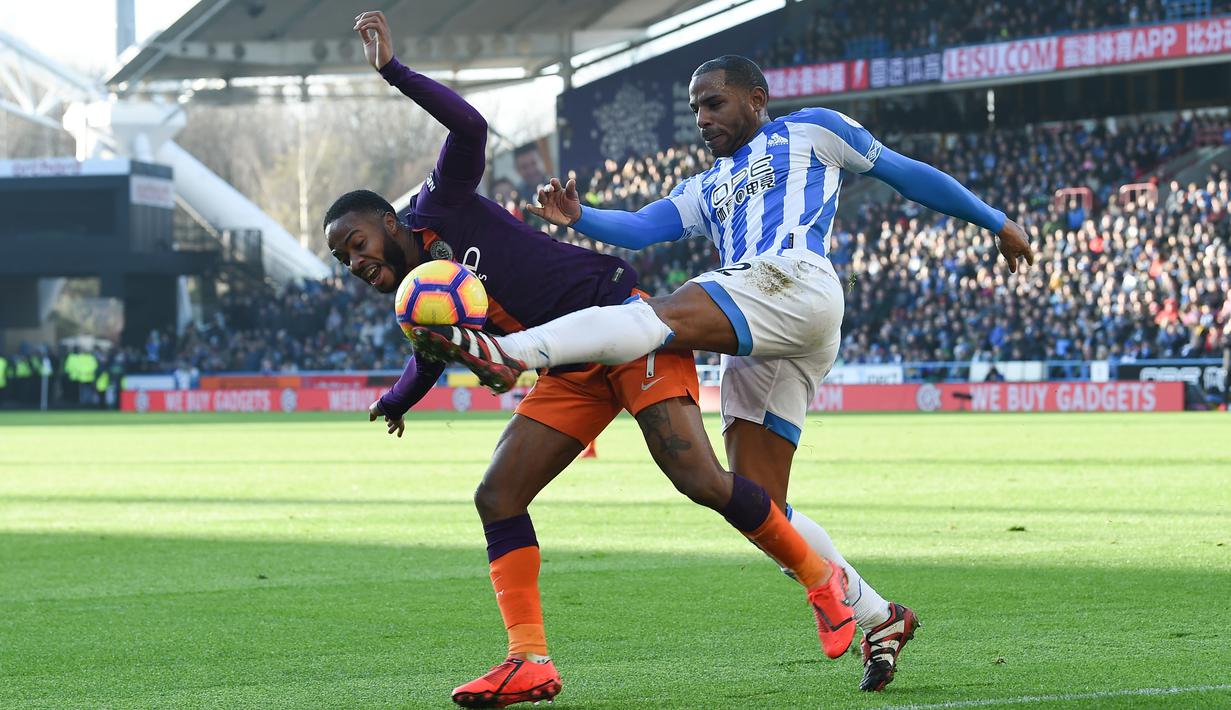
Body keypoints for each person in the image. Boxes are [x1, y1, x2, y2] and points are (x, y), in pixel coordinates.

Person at [412, 54, 1035, 692]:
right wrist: (582, 218)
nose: (702, 118)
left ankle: (512, 355)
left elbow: (906, 175)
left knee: (652, 318)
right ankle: (879, 616)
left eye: (714, 103)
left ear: (756, 99)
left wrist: (996, 221)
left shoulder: (813, 129)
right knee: (762, 507)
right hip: (762, 326)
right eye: (695, 109)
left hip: (795, 281)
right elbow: (644, 226)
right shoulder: (707, 185)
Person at [332, 15, 854, 708]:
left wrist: (395, 72)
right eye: (343, 259)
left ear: (388, 220)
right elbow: (435, 348)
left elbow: (470, 131)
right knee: (497, 495)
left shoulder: (441, 202)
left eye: (356, 242)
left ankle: (824, 583)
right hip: (565, 366)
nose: (355, 261)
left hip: (622, 322)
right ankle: (528, 660)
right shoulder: (414, 294)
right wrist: (399, 398)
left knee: (697, 477)